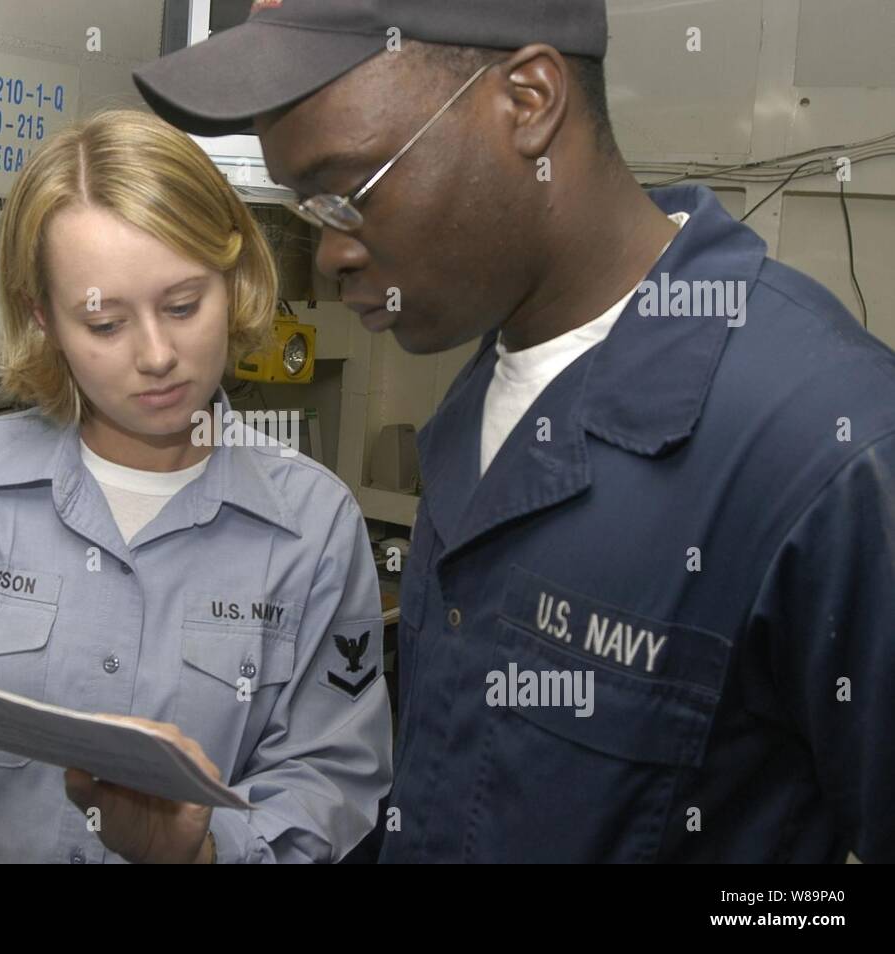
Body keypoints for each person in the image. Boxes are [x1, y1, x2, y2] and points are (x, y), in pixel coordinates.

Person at [134, 0, 895, 862]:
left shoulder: (834, 452)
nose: (331, 256)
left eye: (349, 195)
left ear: (529, 101)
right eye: (310, 212)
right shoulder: (482, 401)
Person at [0, 108, 392, 863]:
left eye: (184, 306)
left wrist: (206, 850)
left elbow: (332, 779)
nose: (157, 355)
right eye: (105, 323)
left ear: (236, 279)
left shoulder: (312, 523)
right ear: (43, 318)